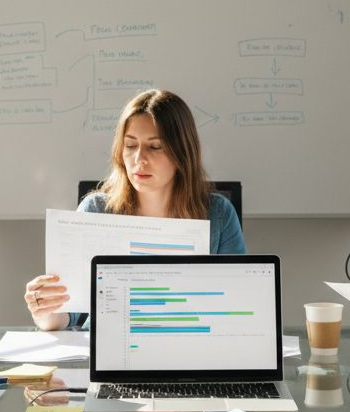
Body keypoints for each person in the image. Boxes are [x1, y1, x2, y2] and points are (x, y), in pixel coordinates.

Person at [25, 89, 246, 330]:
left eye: (155, 147)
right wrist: (45, 310)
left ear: (182, 153)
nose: (139, 159)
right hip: (108, 348)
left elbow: (238, 305)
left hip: (189, 343)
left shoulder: (219, 214)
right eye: (130, 145)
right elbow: (68, 315)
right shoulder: (96, 211)